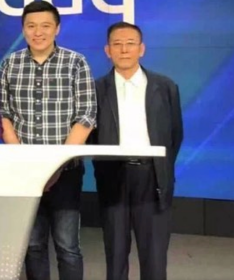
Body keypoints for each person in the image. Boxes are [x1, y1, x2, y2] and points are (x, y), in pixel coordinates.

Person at [0, 0, 97, 280]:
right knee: (33, 245)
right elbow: (3, 114)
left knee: (68, 246)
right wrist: (23, 160)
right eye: (31, 26)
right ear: (23, 29)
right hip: (24, 172)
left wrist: (56, 163)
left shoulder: (76, 62)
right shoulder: (10, 64)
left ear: (57, 28)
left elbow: (86, 115)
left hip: (66, 171)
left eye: (45, 26)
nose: (37, 32)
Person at [92, 22, 183, 280]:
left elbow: (175, 134)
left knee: (154, 258)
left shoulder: (165, 87)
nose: (124, 50)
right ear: (107, 50)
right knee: (116, 255)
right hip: (113, 177)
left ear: (141, 49)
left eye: (130, 43)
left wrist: (159, 169)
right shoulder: (96, 89)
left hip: (153, 178)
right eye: (117, 44)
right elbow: (90, 136)